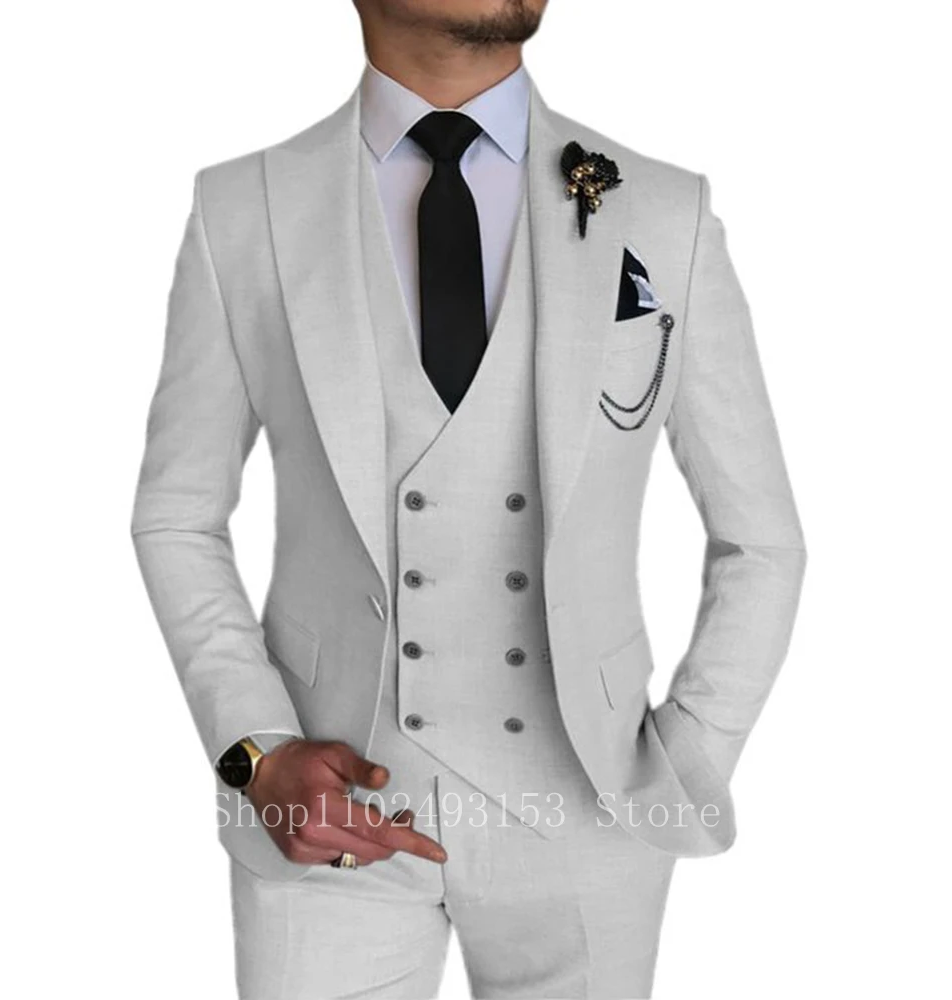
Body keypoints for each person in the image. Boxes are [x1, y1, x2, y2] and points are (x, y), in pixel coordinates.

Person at [130, 1, 807, 996]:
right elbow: (177, 516)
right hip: (324, 813)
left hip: (591, 814)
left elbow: (762, 539)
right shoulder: (244, 210)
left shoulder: (661, 211)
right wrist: (256, 753)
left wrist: (686, 759)